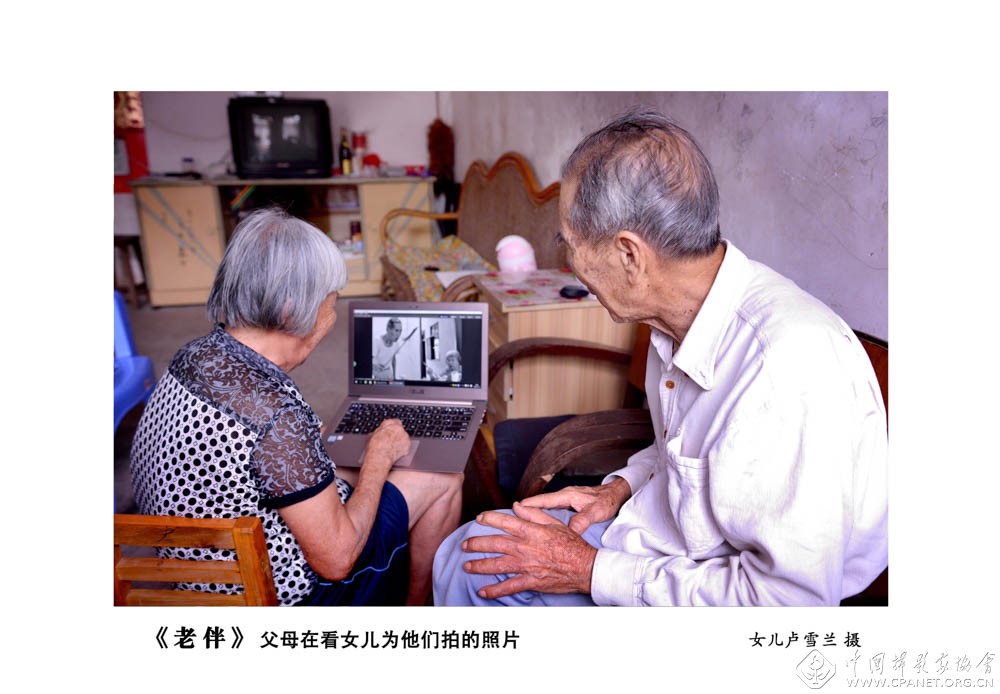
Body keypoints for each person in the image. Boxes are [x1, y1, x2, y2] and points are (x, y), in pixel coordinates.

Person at [432, 109, 888, 606]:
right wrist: (619, 489)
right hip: (665, 540)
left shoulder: (784, 370)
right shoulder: (679, 318)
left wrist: (585, 569)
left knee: (478, 575)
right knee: (468, 549)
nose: (570, 264)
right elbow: (690, 450)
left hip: (719, 589)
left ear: (629, 255)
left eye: (570, 243)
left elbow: (788, 603)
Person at [130, 207, 462, 606]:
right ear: (292, 308)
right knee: (442, 477)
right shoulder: (276, 416)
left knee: (355, 452)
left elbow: (261, 454)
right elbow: (336, 560)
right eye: (331, 301)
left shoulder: (194, 356)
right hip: (281, 595)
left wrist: (328, 443)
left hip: (198, 571)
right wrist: (377, 459)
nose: (332, 315)